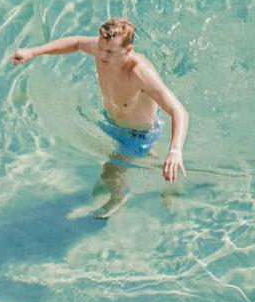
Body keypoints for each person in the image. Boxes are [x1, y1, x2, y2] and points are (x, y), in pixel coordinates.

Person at [10, 18, 189, 217]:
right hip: (110, 120)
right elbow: (76, 42)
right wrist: (33, 52)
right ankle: (163, 171)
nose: (102, 55)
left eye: (110, 52)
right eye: (101, 48)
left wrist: (175, 150)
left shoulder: (141, 73)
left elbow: (179, 111)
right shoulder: (101, 49)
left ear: (128, 50)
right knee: (138, 159)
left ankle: (118, 198)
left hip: (137, 135)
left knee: (110, 174)